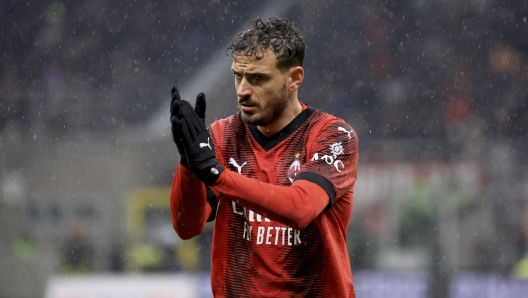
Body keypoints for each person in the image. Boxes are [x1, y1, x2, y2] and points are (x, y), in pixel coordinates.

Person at [169, 17, 359, 297]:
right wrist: (188, 164)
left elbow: (300, 209)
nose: (243, 90)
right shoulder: (223, 136)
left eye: (258, 78)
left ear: (294, 78)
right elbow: (187, 226)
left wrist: (215, 174)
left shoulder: (332, 135)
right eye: (238, 76)